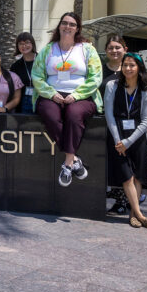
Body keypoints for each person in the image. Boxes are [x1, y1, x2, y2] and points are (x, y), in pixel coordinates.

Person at [31, 12, 103, 187]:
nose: (67, 27)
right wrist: (51, 94)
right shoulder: (48, 50)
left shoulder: (87, 49)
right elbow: (37, 76)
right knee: (49, 114)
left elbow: (96, 77)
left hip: (81, 96)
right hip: (52, 94)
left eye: (72, 24)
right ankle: (74, 160)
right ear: (59, 26)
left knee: (73, 115)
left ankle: (67, 164)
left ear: (77, 28)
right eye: (64, 23)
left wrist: (76, 95)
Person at [104, 53, 147, 229]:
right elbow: (109, 114)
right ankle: (140, 215)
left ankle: (133, 215)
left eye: (132, 65)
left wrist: (129, 141)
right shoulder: (112, 85)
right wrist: (119, 140)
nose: (127, 68)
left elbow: (146, 121)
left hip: (137, 138)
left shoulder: (146, 91)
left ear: (139, 68)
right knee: (127, 177)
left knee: (138, 178)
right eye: (125, 65)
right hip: (117, 137)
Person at [100, 34, 130, 213]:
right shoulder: (100, 71)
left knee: (123, 160)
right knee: (105, 159)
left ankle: (123, 200)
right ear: (106, 51)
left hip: (124, 122)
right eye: (111, 48)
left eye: (118, 47)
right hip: (103, 121)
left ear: (125, 50)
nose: (114, 50)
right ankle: (107, 193)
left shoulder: (130, 69)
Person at [10, 32, 37, 113]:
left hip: (42, 98)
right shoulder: (15, 66)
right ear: (17, 47)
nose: (24, 46)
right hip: (23, 101)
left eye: (27, 42)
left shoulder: (42, 60)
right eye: (21, 44)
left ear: (32, 43)